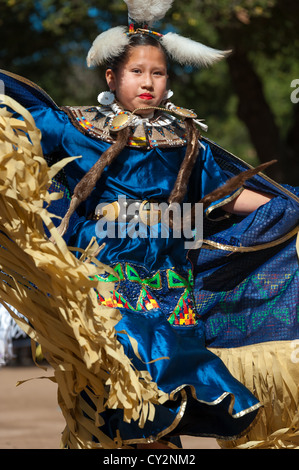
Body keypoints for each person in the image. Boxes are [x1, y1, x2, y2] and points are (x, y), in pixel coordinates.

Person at [0, 0, 298, 449]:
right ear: (111, 77)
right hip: (100, 285)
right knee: (125, 393)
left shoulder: (187, 141)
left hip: (171, 286)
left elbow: (233, 195)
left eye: (158, 74)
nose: (148, 83)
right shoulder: (72, 127)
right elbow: (14, 117)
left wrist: (290, 209)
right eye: (136, 72)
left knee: (162, 412)